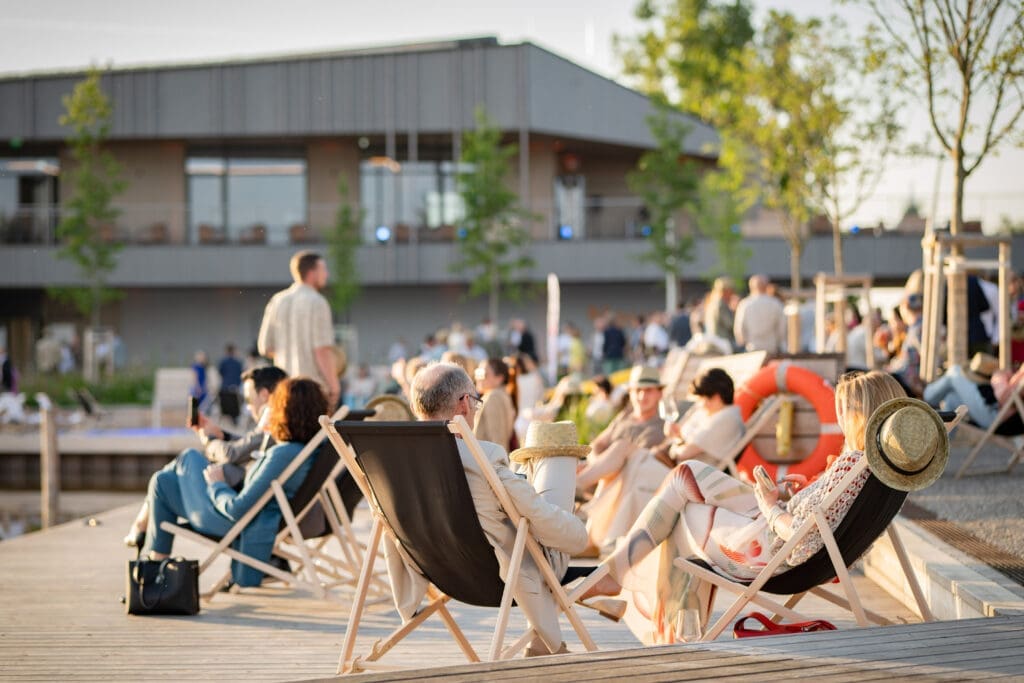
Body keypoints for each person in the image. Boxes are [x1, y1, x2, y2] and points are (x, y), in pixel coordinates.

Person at [582, 371, 907, 644]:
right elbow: (816, 521)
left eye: (843, 410)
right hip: (774, 538)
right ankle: (639, 595)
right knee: (686, 480)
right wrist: (784, 499)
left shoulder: (852, 465)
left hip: (768, 551)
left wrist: (770, 506)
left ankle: (627, 584)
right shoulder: (872, 466)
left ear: (859, 414)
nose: (839, 419)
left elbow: (798, 538)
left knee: (685, 500)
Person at [396, 362, 589, 656]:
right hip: (501, 576)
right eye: (475, 400)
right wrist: (579, 533)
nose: (475, 409)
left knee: (530, 497)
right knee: (556, 458)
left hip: (438, 571)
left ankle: (540, 643)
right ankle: (583, 595)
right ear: (463, 404)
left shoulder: (393, 461)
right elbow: (539, 515)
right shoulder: (481, 457)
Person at [137, 377, 328, 588]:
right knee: (162, 482)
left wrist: (216, 484)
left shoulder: (282, 455)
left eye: (274, 406)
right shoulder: (309, 449)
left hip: (233, 521)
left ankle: (149, 559)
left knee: (190, 457)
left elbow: (237, 509)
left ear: (284, 412)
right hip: (246, 518)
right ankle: (156, 570)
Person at [581, 368, 745, 554]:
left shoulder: (725, 419)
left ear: (714, 397)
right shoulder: (713, 416)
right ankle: (605, 537)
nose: (699, 405)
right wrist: (679, 440)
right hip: (681, 471)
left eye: (701, 399)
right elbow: (680, 446)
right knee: (629, 461)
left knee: (629, 459)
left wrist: (678, 439)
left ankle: (599, 532)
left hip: (686, 477)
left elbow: (682, 453)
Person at [124, 366, 288, 546]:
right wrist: (221, 435)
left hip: (234, 515)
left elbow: (232, 453)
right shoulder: (288, 429)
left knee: (188, 457)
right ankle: (154, 562)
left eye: (248, 399)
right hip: (248, 509)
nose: (248, 407)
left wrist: (209, 440)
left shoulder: (274, 421)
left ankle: (142, 527)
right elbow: (250, 446)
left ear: (264, 395)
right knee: (162, 481)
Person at [257, 250, 340, 407]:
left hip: (283, 389)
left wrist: (289, 352)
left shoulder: (277, 300)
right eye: (323, 270)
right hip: (312, 389)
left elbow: (265, 347)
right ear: (311, 272)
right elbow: (321, 350)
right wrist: (334, 385)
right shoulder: (317, 302)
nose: (326, 275)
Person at [924, 352, 1024, 429]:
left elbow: (1003, 396)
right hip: (997, 414)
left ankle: (923, 399)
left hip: (995, 416)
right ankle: (940, 448)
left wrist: (998, 376)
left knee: (955, 371)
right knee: (951, 399)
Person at [734, 275, 786, 353]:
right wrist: (779, 341)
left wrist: (742, 342)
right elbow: (782, 327)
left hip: (752, 347)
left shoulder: (745, 304)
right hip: (771, 346)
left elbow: (739, 328)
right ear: (766, 286)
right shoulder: (776, 303)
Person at [473, 357, 517, 450]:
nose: (478, 378)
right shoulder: (500, 395)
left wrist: (499, 463)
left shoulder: (493, 397)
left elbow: (498, 439)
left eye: (483, 374)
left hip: (488, 460)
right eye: (478, 373)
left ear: (499, 378)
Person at [703, 277, 736, 350]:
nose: (732, 295)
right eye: (731, 291)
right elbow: (730, 324)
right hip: (722, 341)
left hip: (714, 340)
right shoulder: (720, 304)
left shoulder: (712, 302)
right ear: (726, 291)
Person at [217, 343, 244, 425]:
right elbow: (241, 373)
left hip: (225, 386)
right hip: (235, 387)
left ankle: (224, 419)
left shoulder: (223, 362)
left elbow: (220, 372)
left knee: (225, 404)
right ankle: (234, 419)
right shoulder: (238, 362)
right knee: (235, 404)